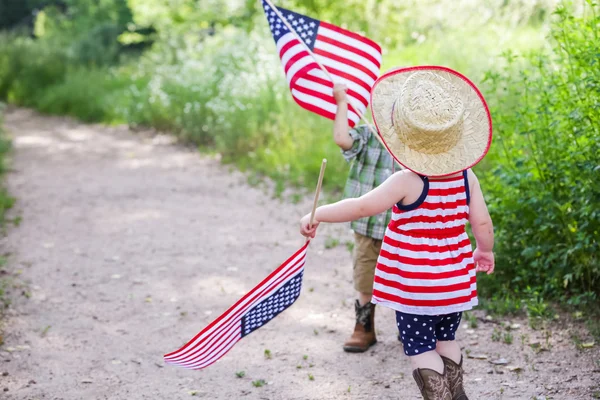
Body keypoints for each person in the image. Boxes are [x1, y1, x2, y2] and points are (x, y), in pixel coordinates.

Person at [301, 67, 495, 400]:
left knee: (419, 346)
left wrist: (317, 213)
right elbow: (482, 223)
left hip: (415, 288)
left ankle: (439, 396)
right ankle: (457, 392)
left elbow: (362, 206)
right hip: (454, 285)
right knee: (446, 340)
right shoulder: (466, 177)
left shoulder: (408, 180)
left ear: (404, 136)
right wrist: (485, 251)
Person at [331, 82, 397, 353]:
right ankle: (364, 326)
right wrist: (342, 103)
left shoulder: (413, 146)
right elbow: (342, 139)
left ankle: (413, 326)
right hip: (368, 225)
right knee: (365, 276)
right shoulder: (368, 135)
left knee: (406, 279)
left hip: (403, 229)